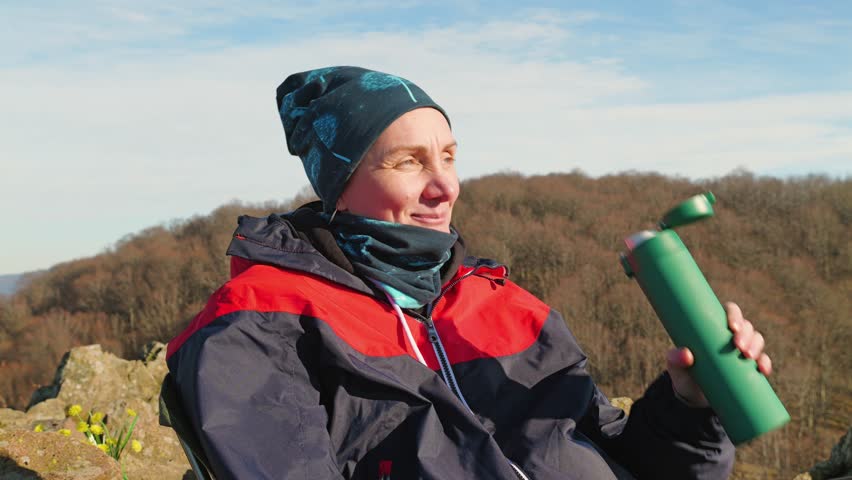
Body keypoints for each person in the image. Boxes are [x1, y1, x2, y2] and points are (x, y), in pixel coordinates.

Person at [166, 66, 772, 479]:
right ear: (341, 186)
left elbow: (616, 456)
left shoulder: (509, 306)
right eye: (410, 161)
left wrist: (689, 405)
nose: (445, 186)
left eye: (450, 157)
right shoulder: (259, 323)